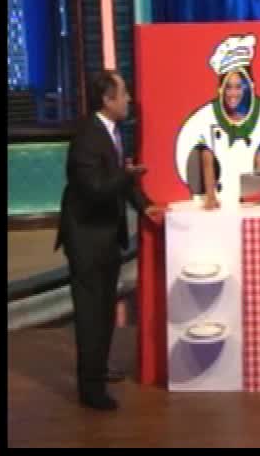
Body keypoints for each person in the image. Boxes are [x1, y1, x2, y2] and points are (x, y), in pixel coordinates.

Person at [55, 70, 164, 410]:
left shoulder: (112, 132)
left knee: (104, 309)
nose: (130, 99)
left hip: (105, 235)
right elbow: (95, 188)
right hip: (86, 236)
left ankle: (98, 370)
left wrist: (145, 207)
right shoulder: (87, 137)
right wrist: (126, 175)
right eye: (124, 93)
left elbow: (121, 183)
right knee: (91, 313)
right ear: (107, 99)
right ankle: (91, 390)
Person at [175, 34, 260, 210]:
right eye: (228, 87)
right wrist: (211, 196)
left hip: (243, 203)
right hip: (218, 202)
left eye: (238, 87)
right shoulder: (206, 120)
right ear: (221, 89)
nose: (233, 94)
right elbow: (207, 162)